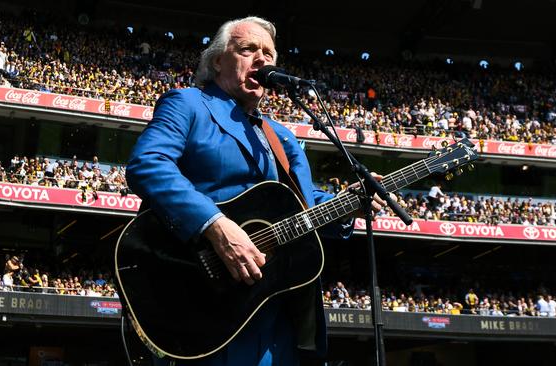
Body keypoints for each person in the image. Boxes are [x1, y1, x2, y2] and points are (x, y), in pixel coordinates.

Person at [126, 16, 382, 366]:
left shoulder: (284, 137)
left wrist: (348, 205)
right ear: (217, 61)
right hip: (203, 300)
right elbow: (148, 164)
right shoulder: (188, 104)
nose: (261, 59)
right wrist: (213, 224)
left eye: (269, 53)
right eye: (248, 49)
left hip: (276, 311)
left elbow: (303, 206)